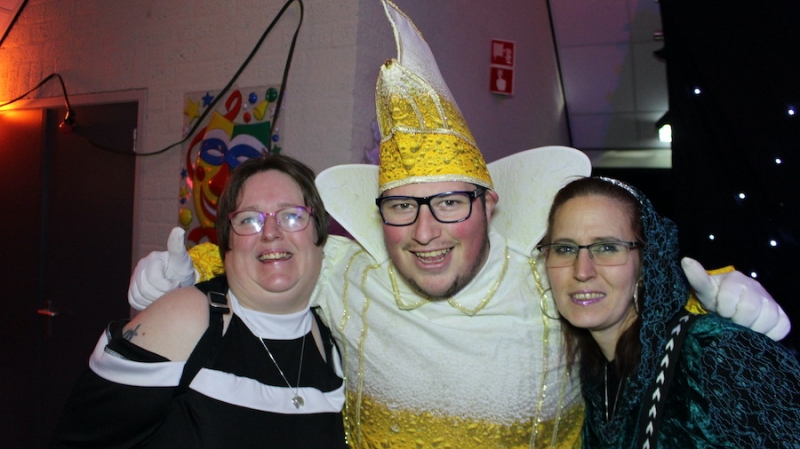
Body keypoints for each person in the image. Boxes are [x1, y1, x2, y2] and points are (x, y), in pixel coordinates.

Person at [125, 2, 791, 447]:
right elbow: (271, 259)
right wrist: (188, 271)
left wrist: (723, 302)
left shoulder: (554, 277)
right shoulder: (346, 274)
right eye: (402, 206)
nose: (425, 232)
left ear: (489, 204)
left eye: (449, 203)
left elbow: (640, 300)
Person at [50, 155, 348, 448]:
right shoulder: (188, 319)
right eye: (249, 219)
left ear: (320, 236)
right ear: (227, 243)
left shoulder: (336, 343)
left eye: (292, 216)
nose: (271, 232)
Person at [538, 176, 800, 447]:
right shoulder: (591, 378)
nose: (582, 271)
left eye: (607, 247)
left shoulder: (715, 352)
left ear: (645, 263)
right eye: (564, 249)